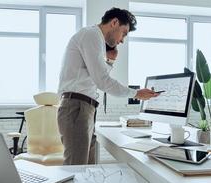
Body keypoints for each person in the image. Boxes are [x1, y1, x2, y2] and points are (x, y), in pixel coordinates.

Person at [57, 7, 159, 165]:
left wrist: (110, 61)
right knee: (76, 169)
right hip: (76, 107)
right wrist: (136, 93)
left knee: (88, 169)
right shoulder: (91, 35)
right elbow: (102, 81)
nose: (122, 40)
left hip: (84, 108)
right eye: (124, 33)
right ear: (115, 22)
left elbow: (95, 77)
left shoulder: (94, 38)